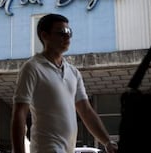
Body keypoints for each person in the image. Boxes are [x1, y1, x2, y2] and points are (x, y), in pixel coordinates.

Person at [11, 14, 118, 153]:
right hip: (46, 148)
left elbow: (86, 110)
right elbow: (20, 112)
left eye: (69, 32)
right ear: (45, 36)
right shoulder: (32, 68)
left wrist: (107, 142)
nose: (67, 37)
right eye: (62, 33)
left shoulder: (73, 73)